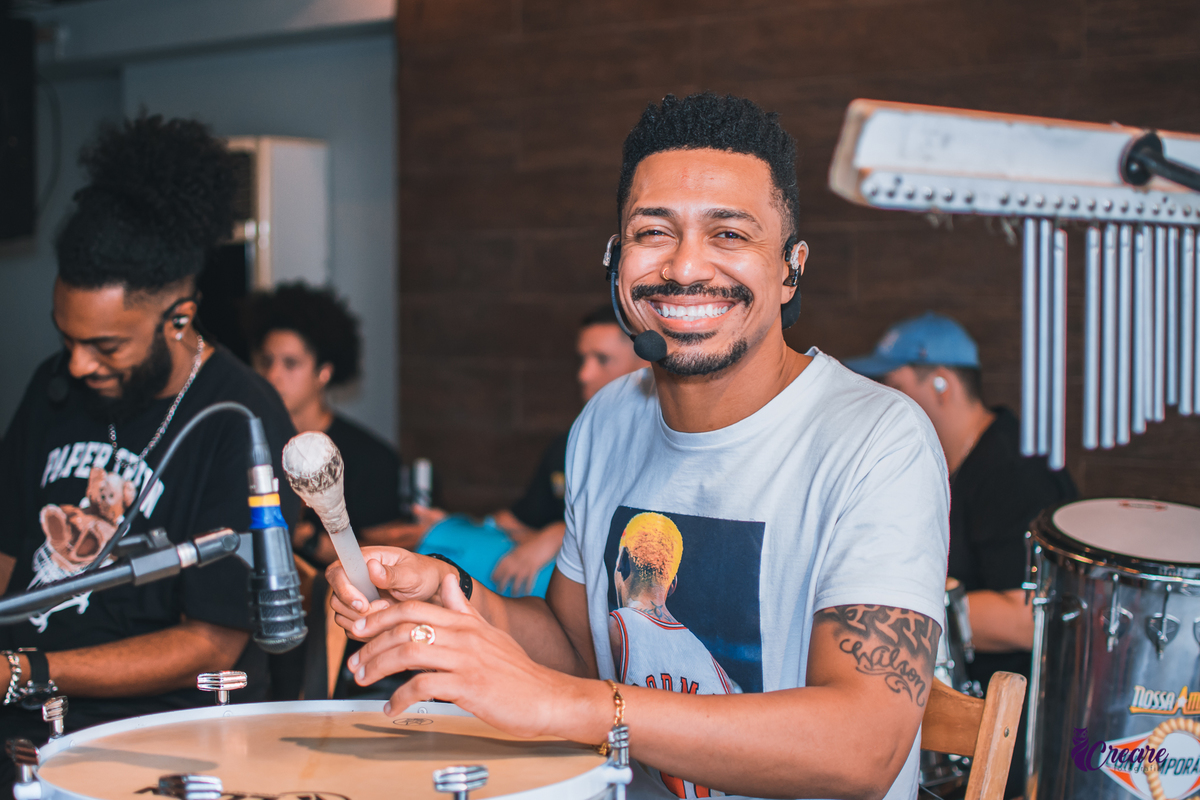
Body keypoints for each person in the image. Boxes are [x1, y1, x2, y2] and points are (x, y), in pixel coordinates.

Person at [328, 92, 949, 800]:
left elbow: (860, 747)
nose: (686, 267)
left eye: (730, 235)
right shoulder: (609, 420)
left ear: (790, 268)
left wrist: (565, 706)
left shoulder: (876, 438)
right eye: (654, 232)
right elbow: (576, 644)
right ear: (614, 259)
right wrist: (457, 594)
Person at [0, 115, 299, 759]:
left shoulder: (243, 419)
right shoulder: (55, 387)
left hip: (151, 740)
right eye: (67, 338)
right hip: (20, 717)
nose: (79, 364)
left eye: (106, 346)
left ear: (179, 318)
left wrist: (26, 670)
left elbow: (210, 643)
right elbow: (6, 549)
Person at [845, 311, 1078, 799]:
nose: (881, 400)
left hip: (1021, 737)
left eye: (892, 383)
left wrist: (891, 615)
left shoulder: (1011, 468)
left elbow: (1031, 618)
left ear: (942, 384)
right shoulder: (952, 465)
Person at [246, 282, 416, 567]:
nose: (273, 375)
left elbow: (387, 559)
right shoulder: (251, 443)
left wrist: (306, 537)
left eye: (290, 363)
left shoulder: (369, 458)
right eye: (267, 361)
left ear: (323, 372)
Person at [486, 304, 647, 594]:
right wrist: (447, 527)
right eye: (582, 359)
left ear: (647, 367)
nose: (584, 375)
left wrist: (560, 535)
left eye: (602, 359)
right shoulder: (570, 444)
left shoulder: (667, 450)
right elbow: (512, 522)